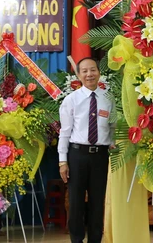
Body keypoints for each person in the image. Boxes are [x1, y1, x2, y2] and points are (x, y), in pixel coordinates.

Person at [58, 57, 115, 243]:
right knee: (75, 203)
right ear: (78, 74)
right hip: (77, 155)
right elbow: (64, 132)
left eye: (93, 70)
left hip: (100, 156)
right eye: (85, 71)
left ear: (99, 72)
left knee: (98, 203)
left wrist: (114, 144)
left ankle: (95, 240)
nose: (89, 74)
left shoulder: (109, 98)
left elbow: (113, 127)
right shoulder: (71, 100)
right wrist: (63, 161)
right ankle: (76, 239)